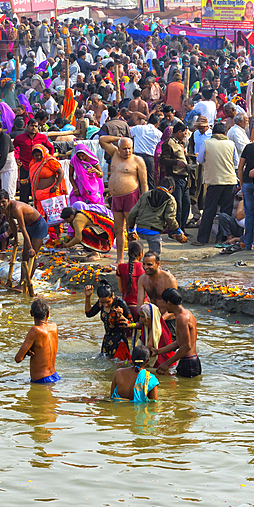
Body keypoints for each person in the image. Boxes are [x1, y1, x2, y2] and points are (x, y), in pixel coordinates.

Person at [99, 135, 148, 265]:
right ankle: (120, 259)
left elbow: (144, 183)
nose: (127, 151)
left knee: (131, 229)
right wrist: (118, 138)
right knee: (118, 229)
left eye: (129, 148)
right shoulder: (114, 154)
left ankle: (133, 259)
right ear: (119, 148)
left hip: (131, 196)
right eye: (124, 148)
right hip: (116, 198)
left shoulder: (138, 160)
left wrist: (144, 201)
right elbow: (102, 140)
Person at [193, 120, 237, 244]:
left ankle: (202, 239)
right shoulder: (231, 144)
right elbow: (236, 162)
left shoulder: (207, 143)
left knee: (209, 210)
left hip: (214, 181)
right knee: (226, 212)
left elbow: (200, 160)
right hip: (230, 180)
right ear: (225, 132)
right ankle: (222, 238)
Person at [0, 192, 51, 294]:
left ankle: (26, 283)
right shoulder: (3, 208)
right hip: (28, 226)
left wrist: (30, 247)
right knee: (24, 255)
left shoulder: (16, 208)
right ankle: (22, 282)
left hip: (38, 225)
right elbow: (12, 223)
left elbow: (22, 228)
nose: (1, 205)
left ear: (8, 200)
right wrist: (16, 239)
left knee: (32, 255)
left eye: (3, 202)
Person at [127, 177, 187, 254]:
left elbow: (132, 213)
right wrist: (178, 230)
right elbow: (170, 218)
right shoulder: (170, 199)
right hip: (154, 232)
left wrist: (131, 229)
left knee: (137, 255)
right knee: (154, 257)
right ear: (170, 188)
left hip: (140, 230)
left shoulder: (146, 194)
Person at [151, 287, 200, 377]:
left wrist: (167, 363)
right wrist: (157, 352)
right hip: (191, 361)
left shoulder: (181, 318)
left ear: (169, 303)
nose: (163, 307)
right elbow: (179, 342)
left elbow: (186, 346)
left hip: (189, 363)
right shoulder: (188, 313)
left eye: (164, 303)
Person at [14, 297, 60, 384]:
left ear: (31, 313)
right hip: (54, 376)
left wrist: (27, 352)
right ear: (48, 313)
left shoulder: (35, 331)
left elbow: (18, 358)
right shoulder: (54, 327)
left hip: (41, 380)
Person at [84, 280, 133, 359]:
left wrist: (122, 317)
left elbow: (132, 324)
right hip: (107, 341)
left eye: (107, 302)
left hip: (120, 342)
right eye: (102, 302)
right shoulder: (101, 303)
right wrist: (88, 297)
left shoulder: (120, 304)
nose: (105, 305)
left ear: (112, 295)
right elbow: (89, 314)